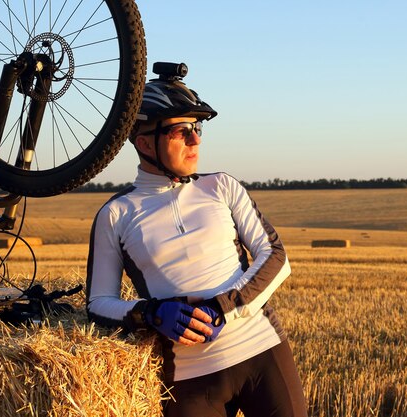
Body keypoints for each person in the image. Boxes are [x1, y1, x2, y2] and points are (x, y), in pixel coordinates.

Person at [86, 62, 307, 417]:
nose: (196, 139)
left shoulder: (220, 186)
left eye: (197, 128)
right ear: (144, 143)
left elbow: (275, 257)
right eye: (181, 130)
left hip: (261, 352)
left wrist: (223, 307)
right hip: (188, 380)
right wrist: (152, 313)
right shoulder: (116, 214)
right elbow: (98, 303)